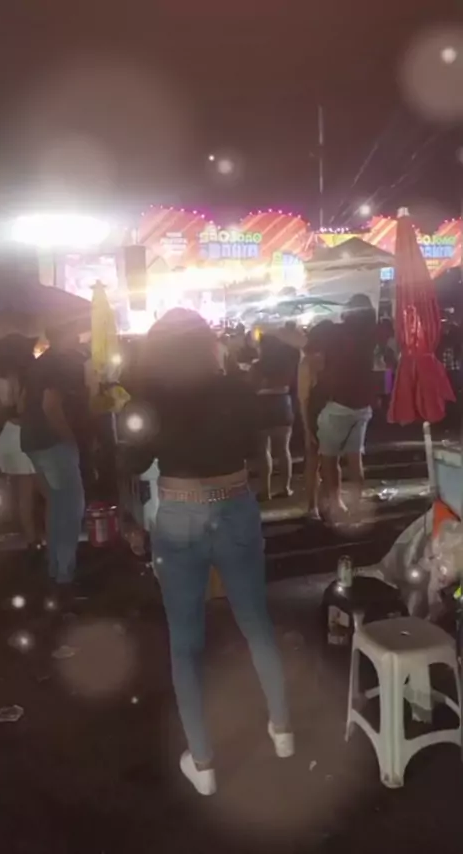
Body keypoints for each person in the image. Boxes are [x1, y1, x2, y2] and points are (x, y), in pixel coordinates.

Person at [126, 308, 292, 796]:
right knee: (256, 622)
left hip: (180, 514)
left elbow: (134, 462)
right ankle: (282, 729)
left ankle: (203, 763)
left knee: (185, 641)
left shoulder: (149, 398)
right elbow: (252, 444)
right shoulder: (236, 387)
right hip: (235, 505)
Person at [20, 322, 89, 587]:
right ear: (67, 335)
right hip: (53, 442)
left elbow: (22, 403)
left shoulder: (39, 363)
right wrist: (69, 439)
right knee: (71, 506)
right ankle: (65, 573)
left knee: (57, 505)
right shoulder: (58, 364)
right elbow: (51, 406)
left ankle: (55, 567)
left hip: (32, 440)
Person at [317, 295, 376, 520]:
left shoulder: (337, 332)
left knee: (329, 459)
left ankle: (337, 504)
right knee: (355, 458)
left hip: (339, 404)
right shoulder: (371, 335)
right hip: (363, 407)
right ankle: (356, 503)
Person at [0, 334, 46, 550]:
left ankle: (32, 539)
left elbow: (0, 408)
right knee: (46, 490)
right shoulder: (27, 378)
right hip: (26, 435)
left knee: (24, 494)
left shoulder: (2, 380)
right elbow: (24, 410)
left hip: (9, 434)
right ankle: (45, 537)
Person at [251, 333, 296, 500]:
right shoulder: (286, 365)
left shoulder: (257, 366)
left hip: (262, 406)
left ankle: (265, 490)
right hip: (282, 404)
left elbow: (252, 386)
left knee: (263, 451)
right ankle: (286, 487)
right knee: (284, 450)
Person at [297, 321, 334, 519]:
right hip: (333, 411)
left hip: (316, 412)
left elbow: (303, 397)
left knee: (313, 461)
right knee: (330, 461)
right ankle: (325, 503)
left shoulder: (307, 362)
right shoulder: (334, 359)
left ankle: (313, 507)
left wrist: (306, 428)